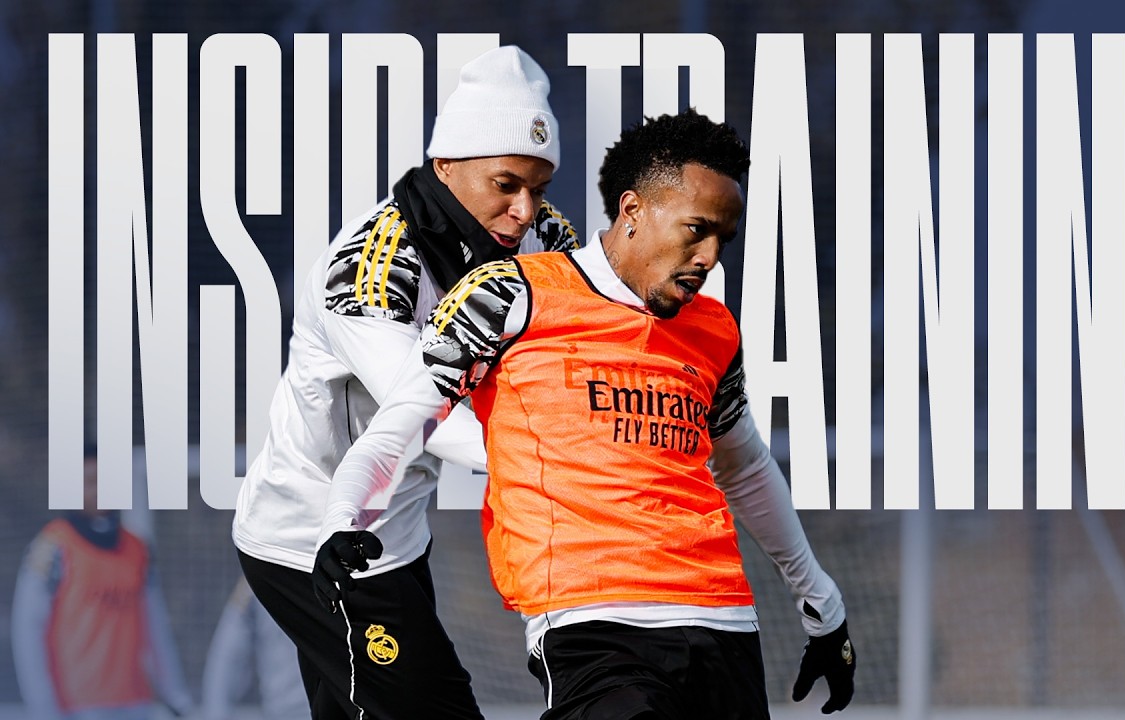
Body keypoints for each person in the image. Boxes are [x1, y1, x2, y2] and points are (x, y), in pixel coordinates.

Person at [316, 109, 856, 719]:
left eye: (722, 240)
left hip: (723, 621)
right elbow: (400, 424)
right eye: (695, 230)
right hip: (591, 626)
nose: (708, 258)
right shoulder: (508, 294)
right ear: (633, 211)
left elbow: (746, 467)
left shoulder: (713, 328)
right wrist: (342, 517)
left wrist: (822, 603)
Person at [231, 44, 577, 720]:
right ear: (446, 165)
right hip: (315, 542)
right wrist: (574, 464)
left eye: (538, 187)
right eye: (505, 184)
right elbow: (426, 413)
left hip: (398, 534)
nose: (523, 208)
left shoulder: (544, 239)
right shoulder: (366, 270)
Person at [11, 449, 194, 720]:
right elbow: (27, 632)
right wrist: (43, 708)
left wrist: (176, 696)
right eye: (90, 481)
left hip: (136, 703)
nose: (100, 490)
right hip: (78, 707)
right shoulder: (52, 548)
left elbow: (155, 629)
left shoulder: (137, 549)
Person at [202, 576, 309, 720]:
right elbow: (229, 652)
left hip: (288, 708)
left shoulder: (257, 573)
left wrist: (217, 712)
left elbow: (228, 653)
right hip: (293, 708)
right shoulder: (253, 578)